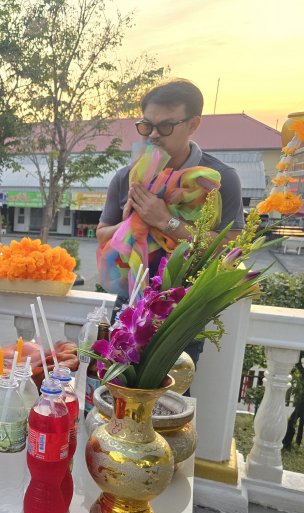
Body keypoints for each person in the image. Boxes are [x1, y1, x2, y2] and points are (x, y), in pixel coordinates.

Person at [96, 78, 244, 363]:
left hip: (182, 313)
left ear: (193, 124)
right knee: (114, 388)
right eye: (146, 125)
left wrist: (166, 221)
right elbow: (102, 234)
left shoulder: (218, 179)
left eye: (165, 126)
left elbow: (229, 249)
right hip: (129, 307)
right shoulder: (127, 177)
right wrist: (132, 223)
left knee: (173, 390)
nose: (153, 135)